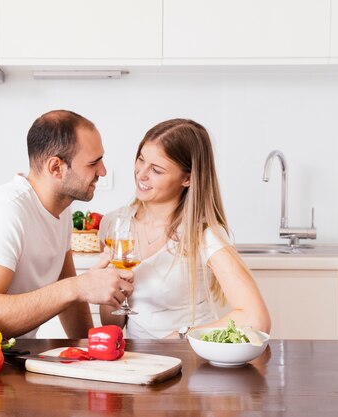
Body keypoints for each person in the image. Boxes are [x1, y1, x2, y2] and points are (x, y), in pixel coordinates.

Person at [0, 110, 134, 339]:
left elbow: (70, 291)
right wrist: (79, 287)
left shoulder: (62, 209)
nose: (103, 171)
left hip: (4, 357)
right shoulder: (6, 211)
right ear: (56, 168)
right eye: (93, 163)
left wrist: (91, 350)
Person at [98, 118, 271, 339]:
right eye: (141, 159)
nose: (141, 174)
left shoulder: (202, 235)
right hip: (139, 361)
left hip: (188, 359)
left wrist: (181, 336)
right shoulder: (114, 225)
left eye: (156, 170)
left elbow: (256, 318)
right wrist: (109, 293)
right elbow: (113, 321)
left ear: (187, 178)